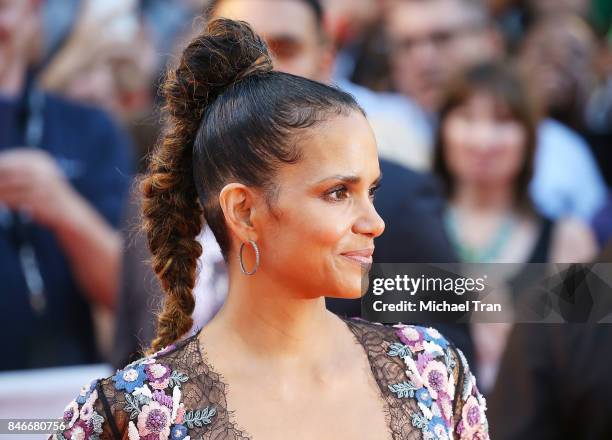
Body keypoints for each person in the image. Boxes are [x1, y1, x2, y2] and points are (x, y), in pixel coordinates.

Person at [53, 18, 489, 440]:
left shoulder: (431, 370)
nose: (374, 223)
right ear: (243, 211)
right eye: (338, 192)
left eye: (370, 190)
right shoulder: (131, 414)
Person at [113, 0, 474, 371]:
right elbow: (125, 360)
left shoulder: (400, 204)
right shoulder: (156, 197)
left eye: (285, 49)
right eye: (237, 56)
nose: (263, 75)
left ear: (326, 62)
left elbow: (443, 377)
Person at [432, 62, 598, 392]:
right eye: (467, 117)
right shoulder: (401, 224)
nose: (483, 139)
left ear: (530, 136)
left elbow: (588, 361)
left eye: (503, 121)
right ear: (442, 128)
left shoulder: (569, 239)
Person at [383, 0, 607, 222]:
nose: (423, 60)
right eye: (406, 45)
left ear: (492, 41)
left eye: (442, 38)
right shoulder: (369, 134)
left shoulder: (561, 153)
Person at [0, 0, 133, 370]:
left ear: (33, 8)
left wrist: (63, 208)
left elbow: (129, 297)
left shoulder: (89, 129)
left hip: (56, 395)